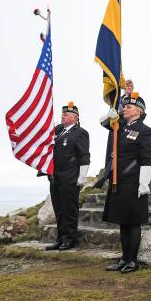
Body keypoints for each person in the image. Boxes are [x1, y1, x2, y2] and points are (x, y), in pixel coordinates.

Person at [99, 92, 151, 273]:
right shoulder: (120, 127)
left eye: (129, 107)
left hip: (133, 182)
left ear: (138, 111)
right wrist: (111, 112)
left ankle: (133, 261)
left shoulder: (144, 130)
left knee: (133, 222)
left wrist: (144, 183)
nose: (125, 109)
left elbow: (146, 158)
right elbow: (103, 122)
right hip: (119, 180)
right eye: (125, 106)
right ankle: (124, 259)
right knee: (123, 221)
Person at [45, 102, 90, 251]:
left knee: (69, 210)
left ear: (75, 118)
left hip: (70, 176)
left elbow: (84, 155)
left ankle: (70, 239)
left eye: (66, 114)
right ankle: (60, 238)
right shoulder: (58, 131)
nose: (63, 116)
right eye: (62, 114)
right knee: (59, 209)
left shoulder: (80, 132)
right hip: (55, 177)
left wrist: (82, 176)